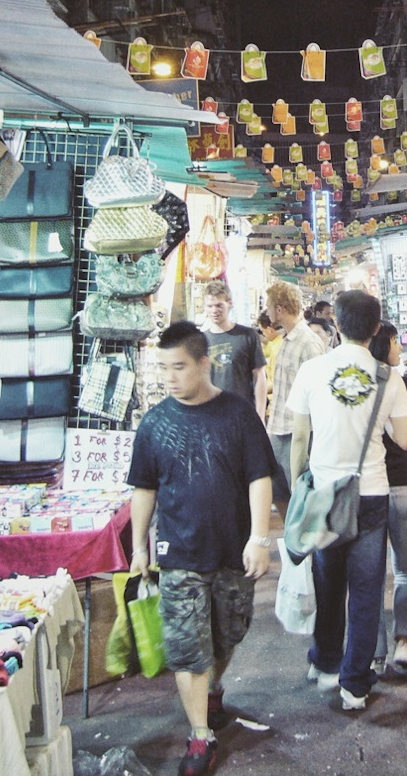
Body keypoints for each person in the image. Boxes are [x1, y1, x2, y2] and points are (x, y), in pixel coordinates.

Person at [127, 321, 274, 776]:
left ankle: (213, 688)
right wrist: (139, 547)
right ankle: (199, 736)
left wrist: (259, 537)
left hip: (233, 551)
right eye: (163, 368)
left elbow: (259, 478)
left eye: (179, 367)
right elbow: (144, 490)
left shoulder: (238, 414)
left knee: (228, 634)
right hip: (179, 554)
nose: (170, 377)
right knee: (187, 648)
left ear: (203, 363)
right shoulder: (154, 424)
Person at [287, 290, 407, 711]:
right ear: (377, 329)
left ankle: (325, 663)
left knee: (328, 583)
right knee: (365, 590)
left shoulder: (311, 370)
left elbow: (299, 438)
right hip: (371, 493)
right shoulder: (388, 377)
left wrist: (296, 491)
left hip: (324, 493)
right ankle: (354, 684)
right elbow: (406, 439)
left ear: (336, 324)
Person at [369, 322, 407, 674]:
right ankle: (404, 643)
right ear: (387, 343)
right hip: (404, 485)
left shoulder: (359, 383)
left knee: (371, 573)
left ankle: (375, 652)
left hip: (372, 486)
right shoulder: (405, 384)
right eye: (396, 341)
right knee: (406, 569)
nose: (400, 348)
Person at [265, 282, 325, 521]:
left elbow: (318, 395)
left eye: (269, 306)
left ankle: (307, 549)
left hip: (297, 434)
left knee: (303, 497)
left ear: (279, 309)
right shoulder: (287, 340)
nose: (267, 311)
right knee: (279, 492)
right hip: (278, 430)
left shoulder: (308, 343)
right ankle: (294, 535)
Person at [201, 280, 267, 423]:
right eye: (210, 306)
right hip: (211, 416)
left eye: (219, 305)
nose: (214, 310)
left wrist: (260, 416)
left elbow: (259, 376)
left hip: (242, 416)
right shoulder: (200, 340)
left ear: (229, 303)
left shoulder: (247, 336)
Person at [257, 310, 282, 416]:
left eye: (263, 331)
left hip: (275, 404)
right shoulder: (275, 343)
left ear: (270, 329)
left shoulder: (278, 347)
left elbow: (277, 381)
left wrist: (258, 390)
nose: (264, 335)